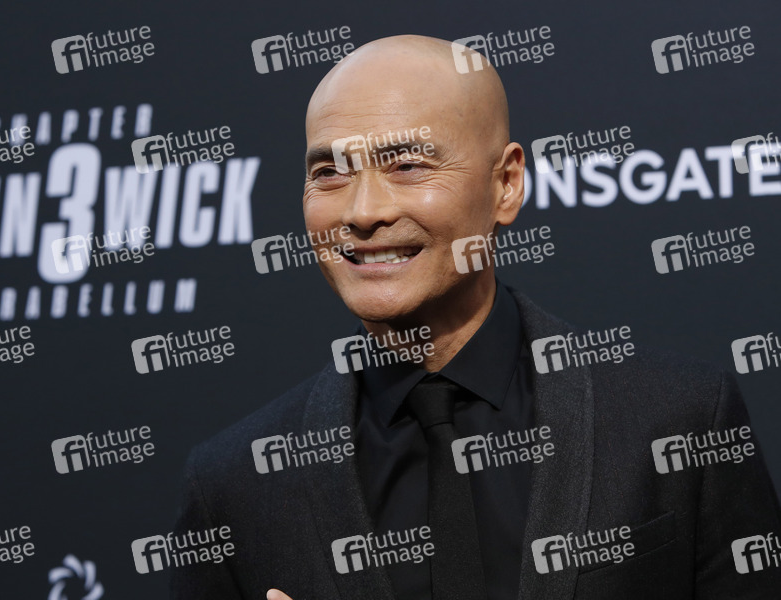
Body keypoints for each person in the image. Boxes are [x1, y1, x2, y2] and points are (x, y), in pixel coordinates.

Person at [170, 35, 781, 599]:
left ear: (506, 184)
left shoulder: (678, 417)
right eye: (329, 173)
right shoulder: (235, 483)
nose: (362, 211)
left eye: (407, 164)